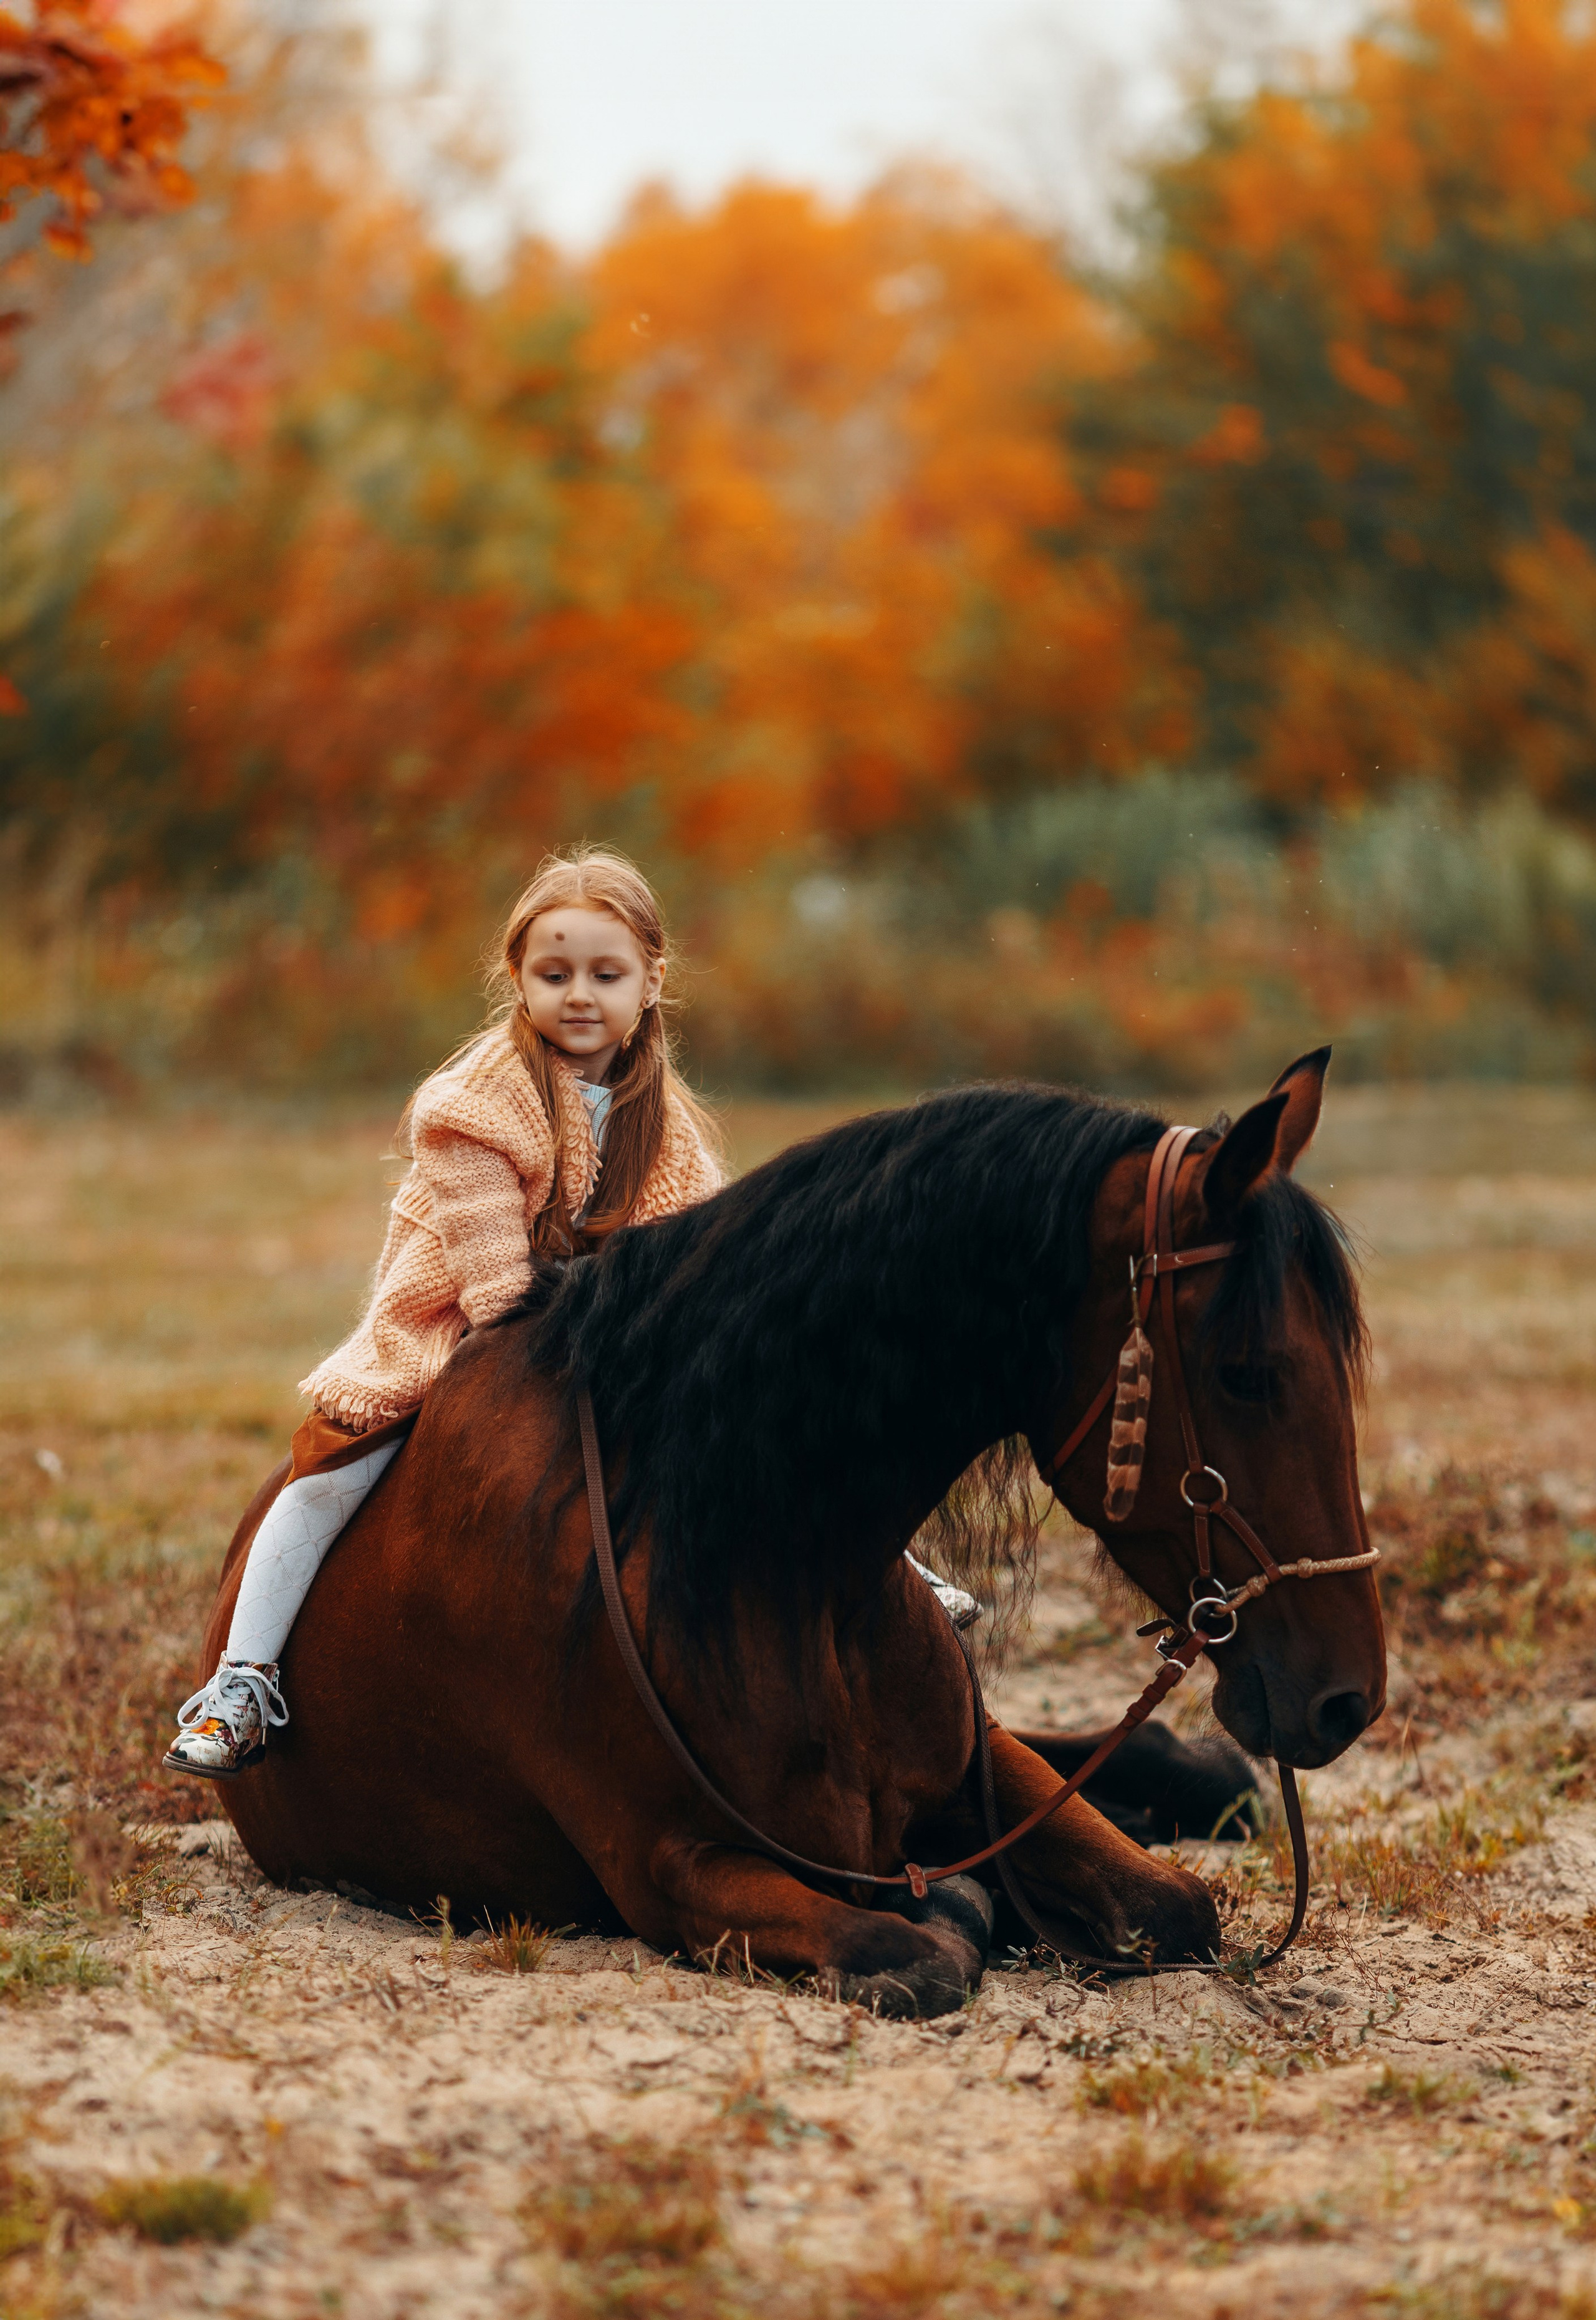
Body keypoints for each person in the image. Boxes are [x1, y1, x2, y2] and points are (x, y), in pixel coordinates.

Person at [164, 847, 725, 1779]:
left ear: (652, 982)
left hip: (604, 1336)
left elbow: (694, 1259)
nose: (579, 994)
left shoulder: (663, 1121)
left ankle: (883, 1571)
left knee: (745, 1416)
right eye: (554, 974)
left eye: (605, 973)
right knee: (333, 1469)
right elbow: (498, 1288)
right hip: (455, 1331)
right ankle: (242, 1680)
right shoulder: (476, 1105)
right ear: (518, 979)